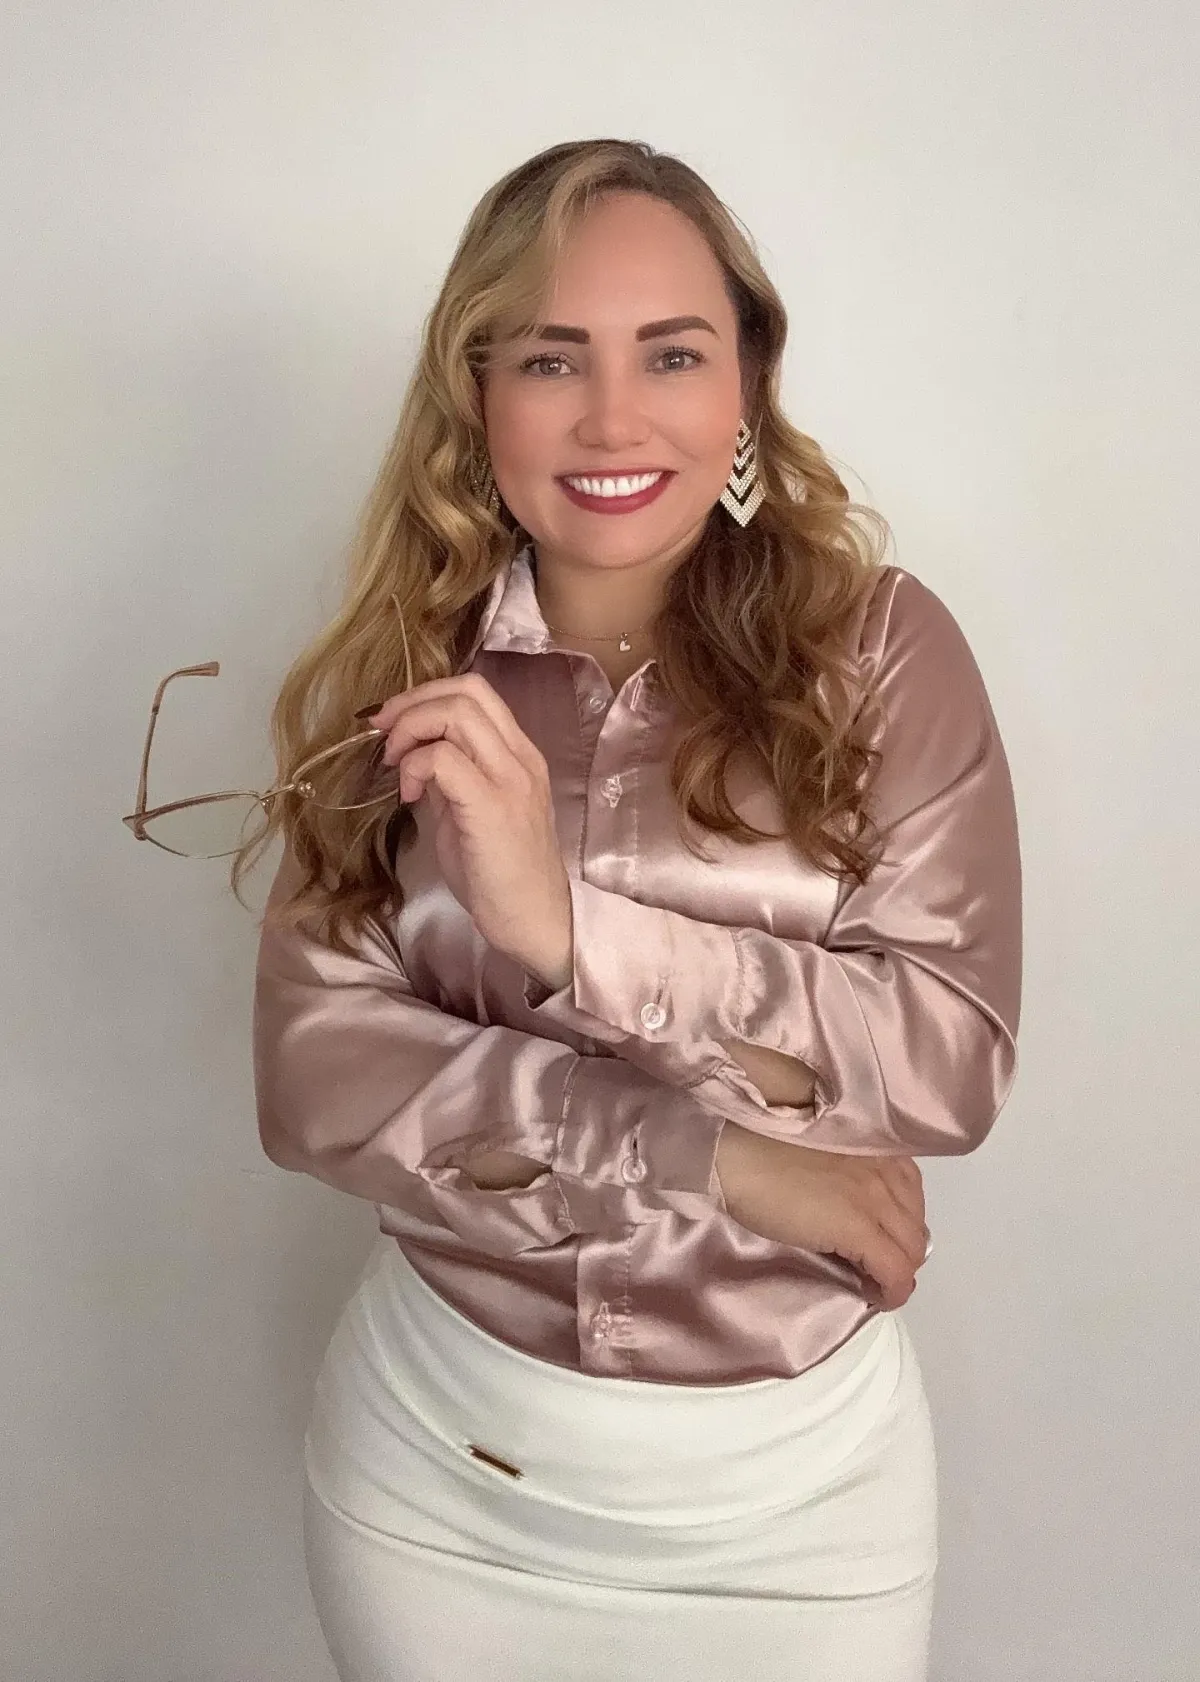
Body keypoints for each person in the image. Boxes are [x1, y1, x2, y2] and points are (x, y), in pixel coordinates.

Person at [246, 138, 1022, 1682]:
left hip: (801, 1508)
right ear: (477, 392)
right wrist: (713, 1155)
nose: (613, 417)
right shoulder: (408, 673)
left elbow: (948, 1056)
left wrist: (573, 933)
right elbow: (312, 1076)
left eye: (671, 353)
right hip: (441, 1476)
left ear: (746, 379)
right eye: (552, 358)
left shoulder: (882, 654)